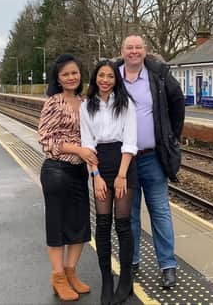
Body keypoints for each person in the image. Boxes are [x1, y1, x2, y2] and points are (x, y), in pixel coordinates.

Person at [118, 35, 185, 288]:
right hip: (126, 161)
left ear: (145, 51)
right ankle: (132, 262)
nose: (134, 51)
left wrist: (172, 137)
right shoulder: (113, 76)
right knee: (129, 214)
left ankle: (168, 265)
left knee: (160, 212)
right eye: (129, 48)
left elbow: (178, 102)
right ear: (122, 51)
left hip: (153, 157)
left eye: (138, 47)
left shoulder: (157, 75)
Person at [38, 54, 99, 301]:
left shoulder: (86, 102)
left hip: (78, 172)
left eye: (74, 73)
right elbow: (45, 139)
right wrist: (78, 150)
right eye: (65, 74)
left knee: (80, 224)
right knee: (57, 225)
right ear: (58, 79)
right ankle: (58, 276)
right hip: (56, 170)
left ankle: (71, 272)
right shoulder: (53, 103)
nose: (71, 77)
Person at [80, 60, 138, 305]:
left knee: (123, 225)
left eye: (110, 76)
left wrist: (122, 175)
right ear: (95, 79)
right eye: (101, 76)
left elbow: (130, 141)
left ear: (116, 80)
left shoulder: (126, 104)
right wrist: (96, 176)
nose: (105, 80)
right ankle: (106, 280)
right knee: (103, 224)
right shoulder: (86, 107)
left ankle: (126, 281)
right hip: (99, 164)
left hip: (124, 164)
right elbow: (87, 144)